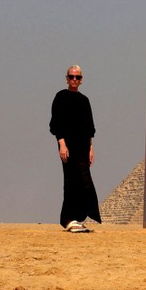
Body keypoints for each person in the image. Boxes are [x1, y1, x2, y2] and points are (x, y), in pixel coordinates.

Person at [49, 65, 101, 232]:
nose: (74, 79)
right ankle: (68, 219)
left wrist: (91, 148)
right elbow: (56, 123)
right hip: (68, 146)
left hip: (83, 146)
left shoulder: (84, 100)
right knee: (71, 180)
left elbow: (89, 126)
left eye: (77, 77)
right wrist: (62, 144)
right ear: (66, 78)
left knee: (84, 182)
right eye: (71, 76)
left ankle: (77, 218)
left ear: (81, 80)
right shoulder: (61, 97)